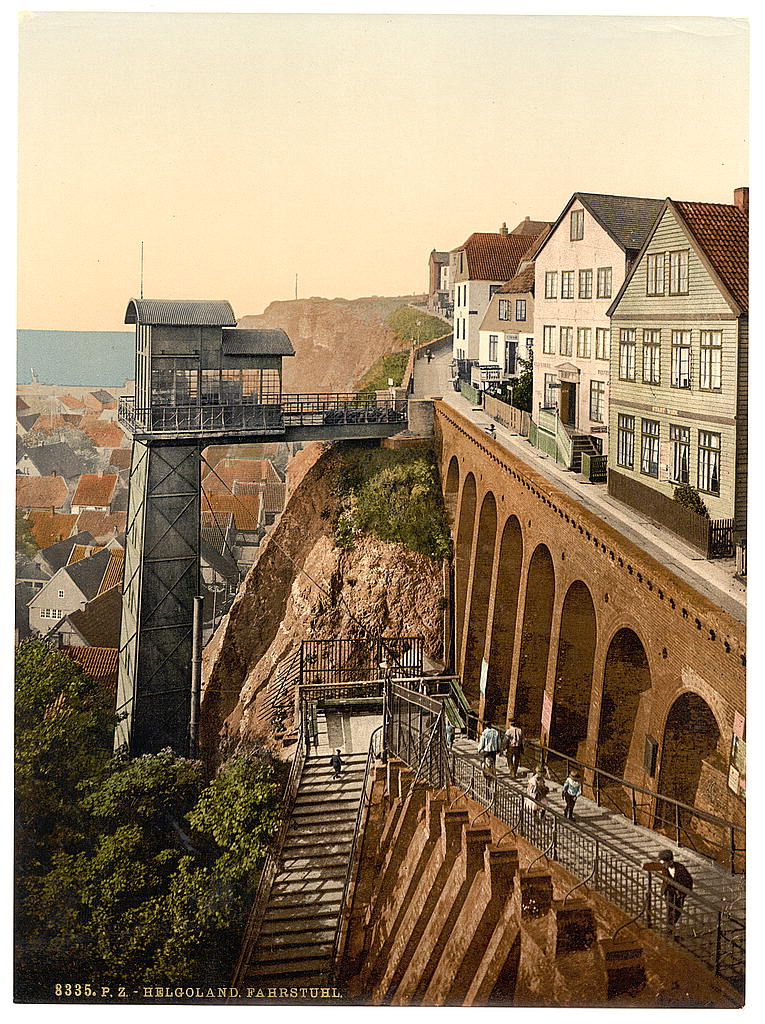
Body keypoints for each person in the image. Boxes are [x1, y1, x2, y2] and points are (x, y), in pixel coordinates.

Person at [642, 850, 694, 932]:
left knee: (678, 911)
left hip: (679, 893)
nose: (663, 865)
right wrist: (644, 865)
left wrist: (682, 894)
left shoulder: (681, 869)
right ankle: (669, 928)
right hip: (669, 890)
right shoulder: (664, 866)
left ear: (670, 861)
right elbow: (654, 866)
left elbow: (689, 881)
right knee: (670, 909)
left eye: (664, 863)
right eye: (662, 863)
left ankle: (671, 926)